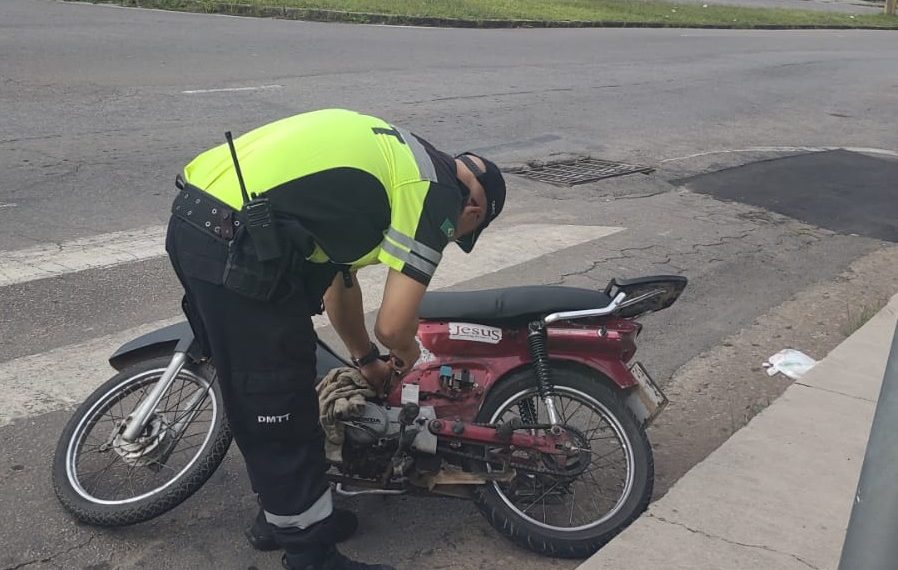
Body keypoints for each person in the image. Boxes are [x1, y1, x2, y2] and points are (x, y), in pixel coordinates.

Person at [164, 108, 506, 570]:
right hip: (235, 241)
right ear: (474, 210)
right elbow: (394, 324)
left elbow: (340, 287)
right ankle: (310, 555)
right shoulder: (436, 193)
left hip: (204, 215)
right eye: (464, 234)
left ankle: (286, 518)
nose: (452, 238)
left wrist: (367, 362)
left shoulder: (401, 159)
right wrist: (406, 356)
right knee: (276, 404)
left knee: (269, 384)